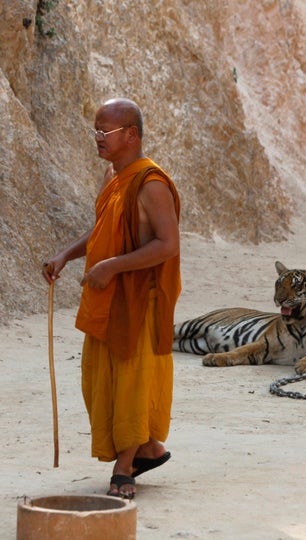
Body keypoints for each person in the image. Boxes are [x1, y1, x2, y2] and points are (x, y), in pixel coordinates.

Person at [42, 98, 181, 499]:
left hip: (141, 301)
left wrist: (113, 266)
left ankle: (125, 468)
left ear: (131, 135)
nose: (98, 139)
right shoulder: (113, 175)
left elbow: (168, 245)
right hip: (108, 297)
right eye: (96, 131)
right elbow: (103, 229)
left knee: (133, 385)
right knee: (100, 381)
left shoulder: (152, 184)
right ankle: (150, 449)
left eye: (106, 132)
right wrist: (66, 254)